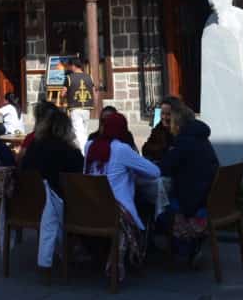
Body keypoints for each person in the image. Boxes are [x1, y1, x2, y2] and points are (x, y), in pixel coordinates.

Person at [84, 113, 160, 279]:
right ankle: (136, 256)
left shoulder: (89, 145)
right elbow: (154, 172)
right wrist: (132, 169)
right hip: (114, 211)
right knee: (145, 208)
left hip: (89, 208)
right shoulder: (121, 149)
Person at [20, 107, 84, 270]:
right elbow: (79, 177)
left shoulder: (34, 147)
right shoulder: (71, 152)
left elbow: (24, 168)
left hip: (30, 204)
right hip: (61, 206)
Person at [158, 100, 219, 263]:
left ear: (177, 122)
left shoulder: (184, 141)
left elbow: (165, 167)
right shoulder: (201, 138)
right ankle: (189, 245)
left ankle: (183, 247)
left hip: (192, 199)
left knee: (159, 209)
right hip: (208, 195)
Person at [142, 96, 180, 162]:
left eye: (168, 114)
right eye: (162, 113)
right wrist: (163, 150)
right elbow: (145, 149)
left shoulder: (183, 131)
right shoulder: (159, 127)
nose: (164, 117)